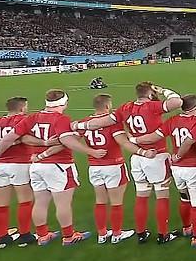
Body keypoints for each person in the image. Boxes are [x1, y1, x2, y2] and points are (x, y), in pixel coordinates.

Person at [73, 81, 183, 244]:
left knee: (141, 196)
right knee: (161, 195)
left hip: (137, 157)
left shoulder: (125, 108)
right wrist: (164, 89)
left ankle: (140, 233)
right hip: (155, 155)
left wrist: (80, 125)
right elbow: (178, 102)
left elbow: (102, 122)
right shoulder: (153, 106)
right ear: (150, 93)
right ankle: (163, 234)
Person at [0, 90, 102, 246]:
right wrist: (91, 151)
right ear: (64, 103)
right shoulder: (61, 119)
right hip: (59, 165)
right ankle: (69, 236)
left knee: (40, 202)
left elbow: (11, 136)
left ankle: (42, 235)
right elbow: (67, 141)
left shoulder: (32, 117)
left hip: (36, 165)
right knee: (63, 203)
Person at [153, 94, 196, 247]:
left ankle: (187, 228)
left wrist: (135, 140)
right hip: (194, 167)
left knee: (184, 198)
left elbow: (156, 135)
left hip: (177, 168)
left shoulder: (172, 121)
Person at [78, 94, 135, 244]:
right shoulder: (111, 122)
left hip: (94, 166)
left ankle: (102, 234)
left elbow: (71, 139)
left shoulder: (86, 122)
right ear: (108, 106)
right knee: (116, 202)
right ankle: (117, 234)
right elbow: (122, 141)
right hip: (113, 165)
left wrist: (89, 151)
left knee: (100, 201)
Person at [0, 97, 28, 248]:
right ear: (22, 108)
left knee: (1, 203)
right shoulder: (24, 120)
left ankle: (2, 238)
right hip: (19, 163)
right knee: (25, 200)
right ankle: (24, 236)